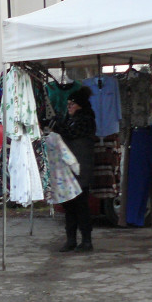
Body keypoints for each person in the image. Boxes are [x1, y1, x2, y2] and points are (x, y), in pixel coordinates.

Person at [55, 86, 97, 252]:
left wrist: (57, 126)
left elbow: (70, 133)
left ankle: (86, 241)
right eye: (68, 103)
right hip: (69, 169)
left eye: (72, 103)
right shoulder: (70, 119)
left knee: (80, 204)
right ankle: (71, 239)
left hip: (81, 168)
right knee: (69, 205)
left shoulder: (86, 119)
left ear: (80, 104)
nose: (69, 106)